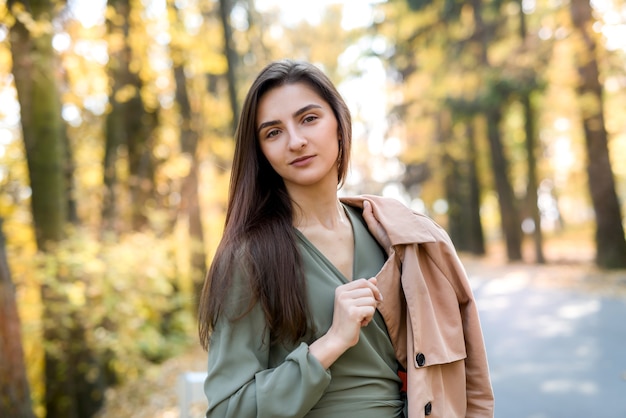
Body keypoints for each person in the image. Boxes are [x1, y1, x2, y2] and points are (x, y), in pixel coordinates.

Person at [198, 59, 494, 418]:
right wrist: (330, 343)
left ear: (339, 124)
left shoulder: (401, 236)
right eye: (273, 132)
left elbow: (470, 378)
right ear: (261, 153)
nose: (296, 141)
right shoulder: (249, 257)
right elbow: (228, 409)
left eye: (309, 118)